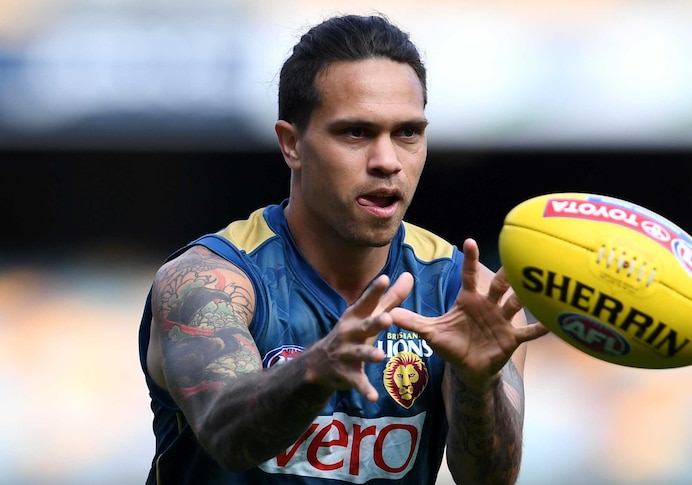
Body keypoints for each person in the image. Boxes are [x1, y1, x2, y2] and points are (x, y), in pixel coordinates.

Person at [138, 13, 549, 485]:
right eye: (356, 133)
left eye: (408, 133)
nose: (388, 161)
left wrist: (478, 384)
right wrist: (314, 367)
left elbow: (490, 479)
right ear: (292, 144)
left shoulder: (461, 292)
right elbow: (228, 438)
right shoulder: (207, 282)